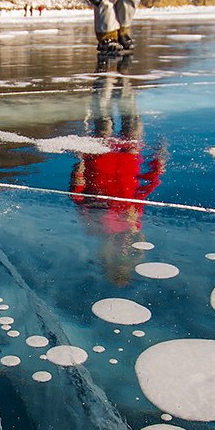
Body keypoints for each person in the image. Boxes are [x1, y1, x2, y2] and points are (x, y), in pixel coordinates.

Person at [70, 67, 167, 284]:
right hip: (129, 159)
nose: (122, 249)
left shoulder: (95, 228)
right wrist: (156, 168)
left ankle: (106, 79)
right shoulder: (134, 228)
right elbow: (142, 194)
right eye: (126, 253)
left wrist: (79, 172)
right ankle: (123, 80)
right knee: (132, 119)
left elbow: (78, 198)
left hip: (101, 159)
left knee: (104, 121)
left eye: (118, 255)